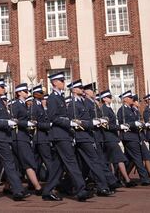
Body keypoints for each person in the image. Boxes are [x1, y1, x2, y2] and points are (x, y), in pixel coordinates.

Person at [43, 72, 91, 202]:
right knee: (71, 161)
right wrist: (69, 122)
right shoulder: (53, 98)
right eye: (62, 81)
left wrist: (72, 123)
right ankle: (81, 190)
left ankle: (47, 191)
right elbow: (53, 117)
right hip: (59, 135)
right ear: (55, 83)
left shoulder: (60, 97)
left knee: (58, 165)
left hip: (64, 134)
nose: (64, 83)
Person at [98, 90, 136, 187]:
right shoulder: (104, 109)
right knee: (119, 159)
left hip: (111, 137)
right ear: (104, 99)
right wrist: (119, 127)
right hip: (108, 137)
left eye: (110, 96)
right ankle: (126, 180)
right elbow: (106, 126)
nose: (111, 98)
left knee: (110, 161)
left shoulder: (108, 108)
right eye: (109, 97)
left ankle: (114, 180)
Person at [10, 83, 42, 194]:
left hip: (24, 136)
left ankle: (7, 186)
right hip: (18, 137)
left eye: (27, 91)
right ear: (19, 93)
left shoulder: (24, 105)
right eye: (25, 91)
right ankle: (38, 187)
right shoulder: (16, 105)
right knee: (28, 161)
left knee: (16, 164)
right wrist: (26, 123)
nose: (27, 93)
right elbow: (14, 120)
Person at [117, 91, 150, 185]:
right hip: (128, 137)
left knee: (129, 159)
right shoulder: (122, 110)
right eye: (130, 97)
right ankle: (145, 178)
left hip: (135, 136)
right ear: (124, 99)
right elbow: (122, 124)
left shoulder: (132, 110)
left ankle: (119, 176)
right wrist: (133, 124)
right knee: (137, 158)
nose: (132, 99)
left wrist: (141, 125)